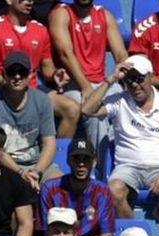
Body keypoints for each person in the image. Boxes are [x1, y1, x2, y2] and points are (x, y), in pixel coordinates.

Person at [82, 55, 159, 219]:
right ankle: (132, 229)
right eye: (129, 80)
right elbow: (87, 110)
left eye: (139, 79)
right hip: (128, 168)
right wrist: (111, 79)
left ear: (151, 77)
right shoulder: (119, 101)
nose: (134, 85)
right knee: (113, 191)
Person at [0, 0, 79, 137]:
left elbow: (47, 68)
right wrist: (1, 80)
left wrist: (55, 74)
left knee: (72, 109)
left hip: (32, 89)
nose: (29, 1)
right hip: (2, 90)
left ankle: (55, 149)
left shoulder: (41, 30)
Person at [48, 0, 128, 152]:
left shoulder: (105, 15)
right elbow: (65, 53)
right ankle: (98, 164)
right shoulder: (62, 13)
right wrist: (85, 86)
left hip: (102, 82)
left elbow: (120, 53)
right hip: (74, 85)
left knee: (129, 103)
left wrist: (128, 79)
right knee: (94, 113)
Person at [0, 52, 59, 191]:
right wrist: (20, 173)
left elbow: (49, 143)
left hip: (36, 164)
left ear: (31, 74)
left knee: (58, 187)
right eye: (12, 72)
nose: (17, 77)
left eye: (22, 72)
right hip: (3, 165)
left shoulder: (43, 100)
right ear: (4, 74)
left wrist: (36, 172)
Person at [38, 137, 116, 236]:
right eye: (76, 158)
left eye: (86, 159)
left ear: (94, 162)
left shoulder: (102, 191)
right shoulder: (50, 189)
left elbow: (106, 233)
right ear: (68, 161)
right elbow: (45, 233)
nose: (81, 164)